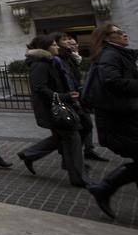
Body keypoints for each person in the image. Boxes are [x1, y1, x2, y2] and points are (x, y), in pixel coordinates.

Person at [17, 35, 88, 187]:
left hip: (60, 105)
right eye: (54, 45)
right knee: (72, 138)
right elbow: (40, 88)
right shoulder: (40, 64)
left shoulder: (51, 61)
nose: (57, 47)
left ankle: (29, 154)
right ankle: (78, 177)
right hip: (52, 109)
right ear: (45, 47)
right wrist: (65, 96)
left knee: (62, 138)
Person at [85, 23, 138, 219]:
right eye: (118, 32)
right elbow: (111, 81)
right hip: (118, 121)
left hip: (125, 118)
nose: (124, 34)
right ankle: (104, 188)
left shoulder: (120, 54)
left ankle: (104, 189)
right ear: (107, 38)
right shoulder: (110, 55)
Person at [52, 32, 108, 162]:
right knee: (80, 127)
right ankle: (71, 157)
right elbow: (65, 78)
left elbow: (76, 74)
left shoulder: (70, 56)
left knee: (85, 125)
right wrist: (69, 95)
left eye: (69, 39)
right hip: (72, 97)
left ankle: (84, 151)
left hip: (79, 94)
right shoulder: (58, 59)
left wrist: (75, 54)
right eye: (64, 39)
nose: (70, 41)